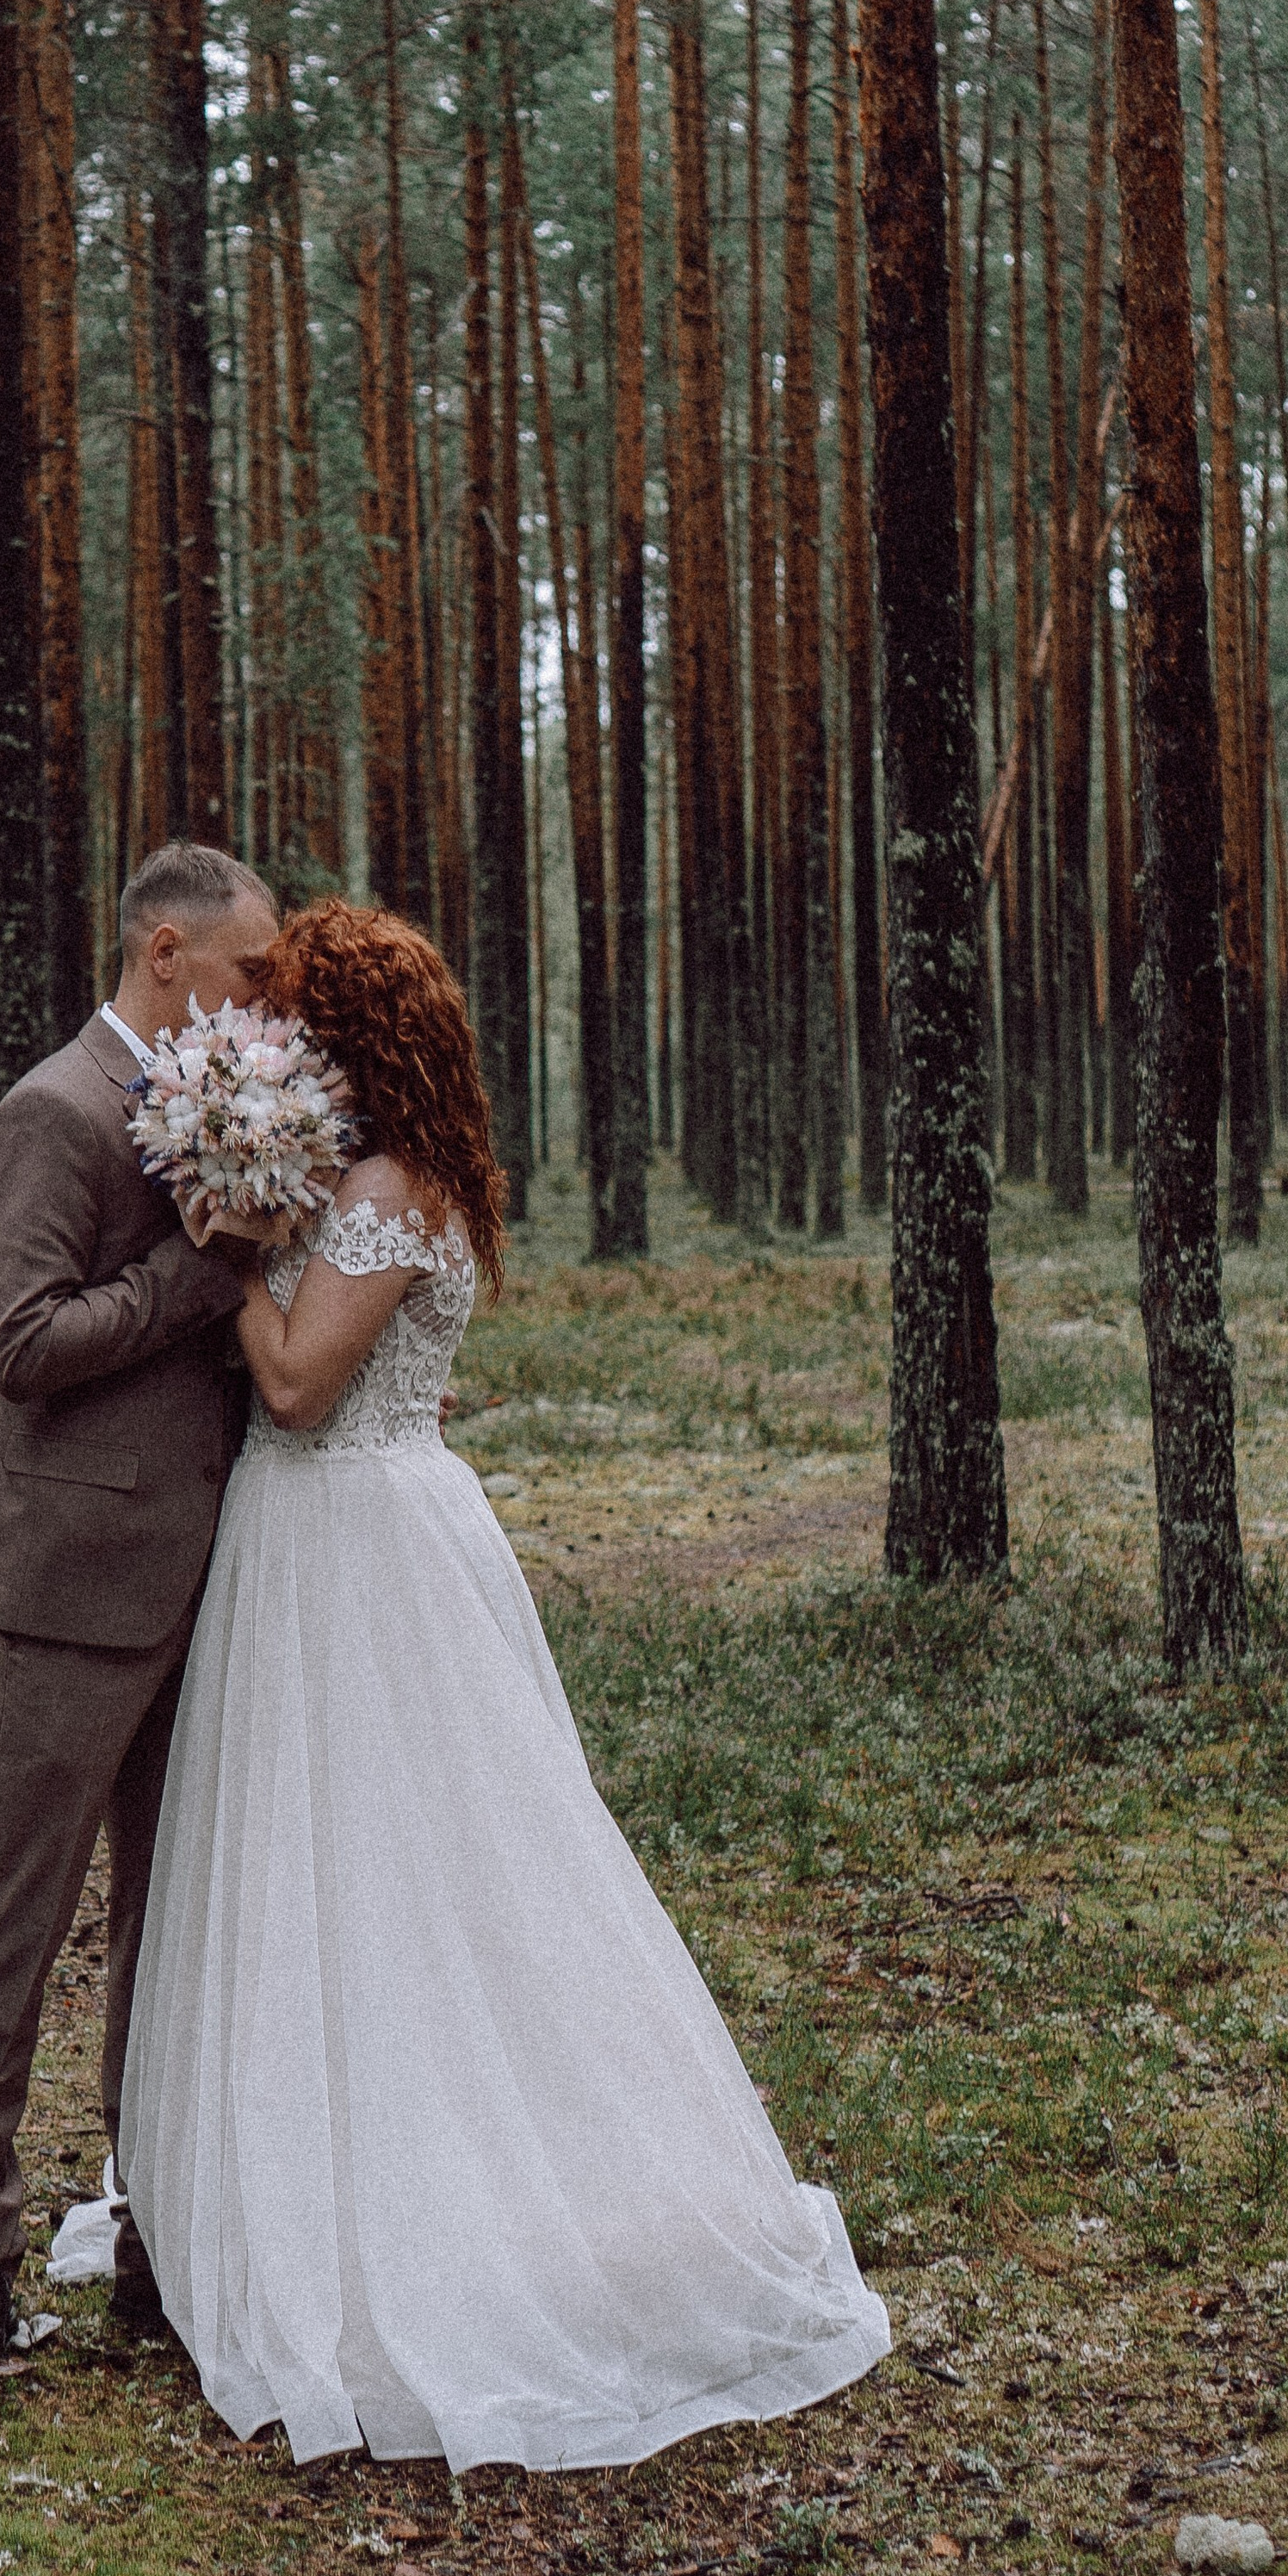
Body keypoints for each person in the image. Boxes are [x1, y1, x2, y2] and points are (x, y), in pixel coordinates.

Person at [121, 897, 891, 2472]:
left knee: (412, 1871)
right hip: (341, 1534)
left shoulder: (394, 1191)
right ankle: (307, 2156)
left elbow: (297, 1384)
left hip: (351, 1546)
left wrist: (236, 1246)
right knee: (329, 1867)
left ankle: (418, 2206)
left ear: (357, 1041)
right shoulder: (405, 1180)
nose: (281, 1041)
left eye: (301, 1018)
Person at [0, 839, 287, 2382]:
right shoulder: (51, 1113)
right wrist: (198, 1286)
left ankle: (152, 2240)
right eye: (249, 972)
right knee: (13, 1928)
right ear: (164, 954)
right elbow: (25, 1343)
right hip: (64, 1598)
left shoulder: (217, 1113)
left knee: (167, 1931)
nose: (266, 1002)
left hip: (204, 1588)